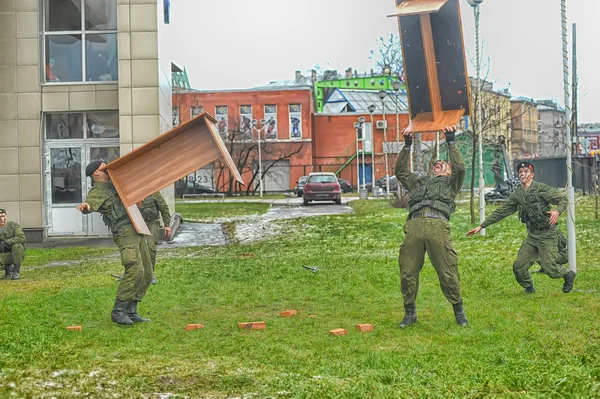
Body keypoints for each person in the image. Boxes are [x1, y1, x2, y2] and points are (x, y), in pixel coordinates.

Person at [395, 123, 467, 328]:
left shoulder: (451, 183)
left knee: (447, 271)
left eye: (443, 163)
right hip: (414, 226)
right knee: (408, 271)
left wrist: (451, 142)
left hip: (438, 226)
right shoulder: (419, 182)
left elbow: (460, 167)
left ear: (449, 171)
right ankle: (410, 313)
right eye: (436, 163)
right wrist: (407, 144)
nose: (439, 163)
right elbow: (400, 171)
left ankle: (458, 311)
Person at [466, 161, 576, 294]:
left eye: (526, 172)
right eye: (520, 172)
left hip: (547, 234)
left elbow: (563, 199)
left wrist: (557, 211)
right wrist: (481, 226)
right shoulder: (518, 194)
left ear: (532, 174)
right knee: (519, 267)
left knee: (550, 269)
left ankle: (567, 275)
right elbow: (501, 211)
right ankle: (529, 287)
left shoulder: (541, 188)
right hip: (532, 236)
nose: (523, 174)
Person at [77, 160, 155, 326]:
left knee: (147, 271)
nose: (107, 168)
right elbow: (90, 205)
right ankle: (118, 311)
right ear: (96, 173)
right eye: (103, 167)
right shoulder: (99, 190)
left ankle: (131, 309)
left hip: (136, 227)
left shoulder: (114, 185)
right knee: (135, 268)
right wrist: (86, 207)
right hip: (124, 232)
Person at [139, 192, 172, 284]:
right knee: (137, 249)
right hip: (136, 224)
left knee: (150, 247)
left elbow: (164, 207)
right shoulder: (132, 191)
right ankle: (137, 274)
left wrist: (167, 225)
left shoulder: (154, 192)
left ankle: (150, 275)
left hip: (152, 223)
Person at [0, 208, 26, 280]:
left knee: (17, 246)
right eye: (0, 217)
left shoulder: (13, 225)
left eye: (3, 216)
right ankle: (7, 269)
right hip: (2, 254)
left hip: (14, 254)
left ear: (6, 216)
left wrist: (7, 242)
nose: (2, 218)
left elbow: (21, 237)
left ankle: (16, 271)